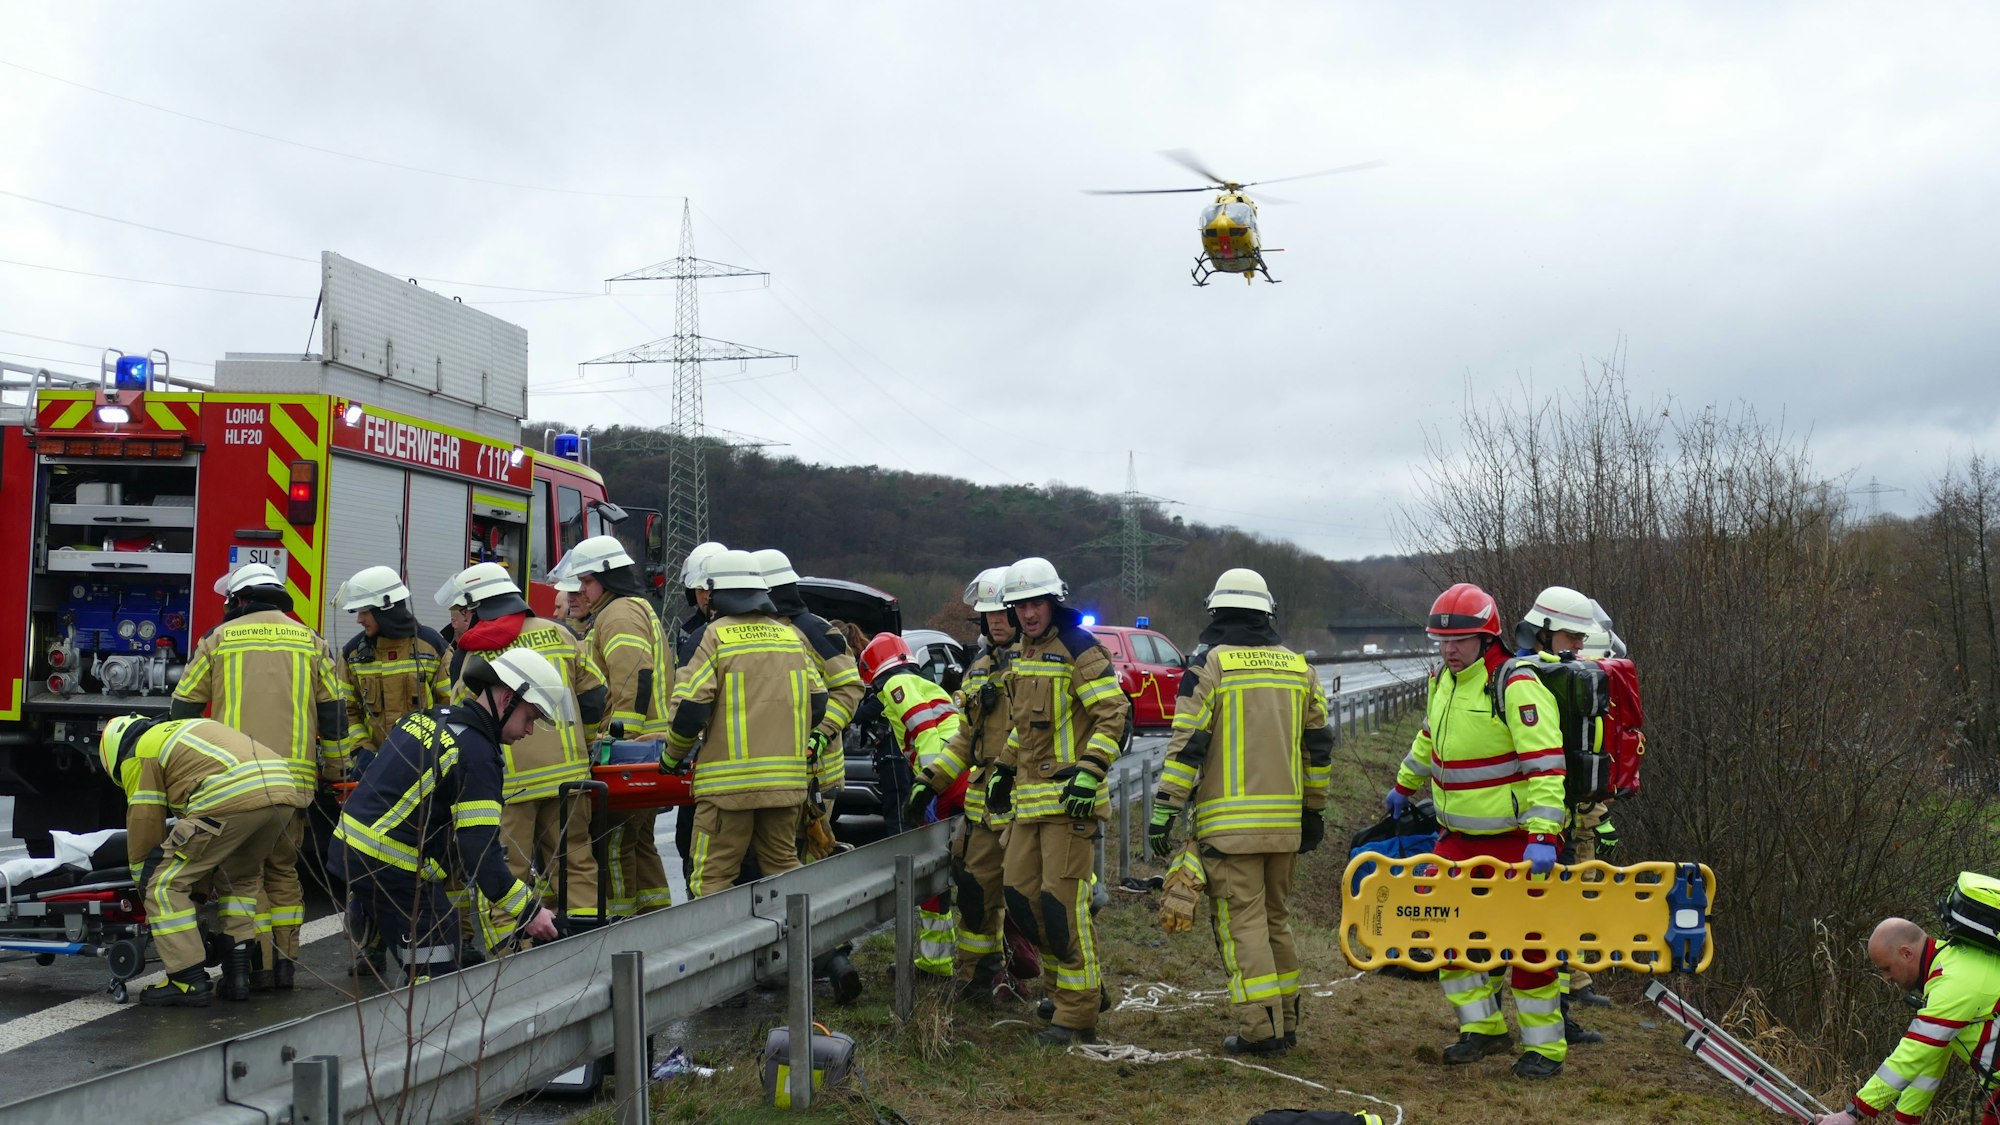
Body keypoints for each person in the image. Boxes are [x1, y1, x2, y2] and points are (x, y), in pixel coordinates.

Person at [1147, 568, 1333, 1056]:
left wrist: (1165, 809)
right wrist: (1313, 813)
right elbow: (1318, 750)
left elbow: (1187, 746)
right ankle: (1286, 1021)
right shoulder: (1299, 668)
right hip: (1286, 828)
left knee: (1242, 926)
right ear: (1267, 613)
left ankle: (1260, 1030)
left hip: (1229, 832)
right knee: (1276, 920)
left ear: (1215, 611)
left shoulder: (1210, 666)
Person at [1388, 582, 1569, 1079]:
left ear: (1486, 637)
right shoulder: (1443, 679)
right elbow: (1429, 734)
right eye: (1442, 641)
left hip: (1515, 840)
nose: (1450, 649)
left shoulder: (1515, 684)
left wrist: (1542, 836)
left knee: (1530, 947)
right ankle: (1483, 1029)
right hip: (1456, 838)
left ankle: (1545, 1049)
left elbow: (1547, 766)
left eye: (1461, 640)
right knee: (1451, 937)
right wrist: (1405, 785)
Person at [328, 650, 563, 981]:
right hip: (388, 865)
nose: (530, 731)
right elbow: (481, 858)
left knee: (441, 924)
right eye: (530, 717)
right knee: (436, 966)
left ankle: (371, 908)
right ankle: (424, 1021)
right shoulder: (478, 756)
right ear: (508, 698)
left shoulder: (429, 718)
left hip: (349, 849)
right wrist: (530, 912)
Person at [171, 562, 345, 991]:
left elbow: (183, 709)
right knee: (283, 873)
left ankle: (255, 969)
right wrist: (338, 772)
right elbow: (335, 715)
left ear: (239, 600)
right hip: (295, 785)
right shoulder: (311, 642)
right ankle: (285, 967)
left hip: (234, 784)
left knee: (241, 877)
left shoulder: (217, 640)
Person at [995, 556, 1129, 1046]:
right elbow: (1023, 726)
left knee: (1060, 907)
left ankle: (1076, 1014)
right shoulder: (1023, 651)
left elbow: (1115, 717)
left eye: (1036, 603)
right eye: (1020, 605)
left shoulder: (1079, 648)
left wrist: (1090, 772)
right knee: (1020, 901)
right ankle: (1080, 989)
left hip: (1070, 809)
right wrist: (1004, 769)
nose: (1029, 613)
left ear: (1053, 601)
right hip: (1029, 807)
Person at [435, 562, 607, 934]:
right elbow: (594, 697)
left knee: (505, 875)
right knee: (576, 865)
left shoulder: (477, 652)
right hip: (569, 778)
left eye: (462, 611)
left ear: (476, 606)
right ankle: (588, 947)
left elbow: (466, 723)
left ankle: (512, 960)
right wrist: (585, 743)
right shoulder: (559, 633)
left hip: (509, 785)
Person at [100, 714, 311, 1006]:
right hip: (283, 790)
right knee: (240, 878)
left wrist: (144, 889)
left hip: (232, 793)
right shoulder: (179, 733)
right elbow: (204, 852)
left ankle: (186, 980)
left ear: (113, 755)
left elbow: (145, 825)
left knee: (162, 882)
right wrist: (198, 891)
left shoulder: (138, 753)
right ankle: (238, 976)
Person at [664, 549, 825, 897]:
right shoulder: (790, 637)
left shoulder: (714, 636)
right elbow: (819, 701)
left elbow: (690, 709)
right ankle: (806, 949)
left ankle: (716, 953)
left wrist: (671, 758)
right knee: (784, 870)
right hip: (785, 787)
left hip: (727, 791)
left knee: (711, 880)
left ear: (716, 592)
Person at [910, 567, 1018, 998]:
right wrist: (931, 781)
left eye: (1002, 612)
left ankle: (1067, 990)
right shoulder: (979, 669)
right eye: (988, 613)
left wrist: (1008, 770)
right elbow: (964, 738)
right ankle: (978, 977)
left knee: (1034, 901)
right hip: (983, 805)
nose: (995, 621)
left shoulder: (1045, 663)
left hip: (1030, 800)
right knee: (974, 893)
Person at [554, 535, 674, 915]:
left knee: (614, 841)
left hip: (631, 753)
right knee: (638, 842)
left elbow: (632, 676)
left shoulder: (618, 613)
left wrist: (618, 738)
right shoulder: (625, 610)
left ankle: (620, 925)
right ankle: (654, 916)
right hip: (649, 749)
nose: (578, 593)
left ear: (607, 579)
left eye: (585, 583)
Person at [1514, 584, 1610, 1042]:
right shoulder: (1526, 680)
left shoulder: (1559, 674)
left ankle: (1559, 1014)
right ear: (1544, 631)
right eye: (1572, 637)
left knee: (1556, 922)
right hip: (1535, 824)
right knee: (1542, 926)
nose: (1578, 647)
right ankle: (1548, 1021)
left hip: (1558, 819)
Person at [1814, 917, 2000, 1125]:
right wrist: (1906, 1119)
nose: (1886, 977)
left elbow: (1912, 1054)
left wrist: (1852, 1113)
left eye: (1887, 968)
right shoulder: (1952, 966)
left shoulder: (1954, 983)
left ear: (1906, 953)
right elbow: (1930, 1057)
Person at [755, 549, 864, 810]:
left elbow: (849, 688)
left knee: (810, 849)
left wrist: (821, 732)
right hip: (773, 774)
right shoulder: (760, 630)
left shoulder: (815, 630)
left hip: (817, 773)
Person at [335, 566, 452, 777]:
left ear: (386, 608)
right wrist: (362, 750)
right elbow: (347, 712)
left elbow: (451, 706)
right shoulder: (351, 655)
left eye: (364, 612)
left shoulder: (432, 647)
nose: (359, 620)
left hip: (426, 767)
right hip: (375, 770)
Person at [670, 542, 729, 888]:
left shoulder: (716, 633)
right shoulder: (689, 630)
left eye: (709, 588)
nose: (705, 596)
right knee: (687, 840)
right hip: (701, 754)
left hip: (719, 759)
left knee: (709, 849)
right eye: (700, 589)